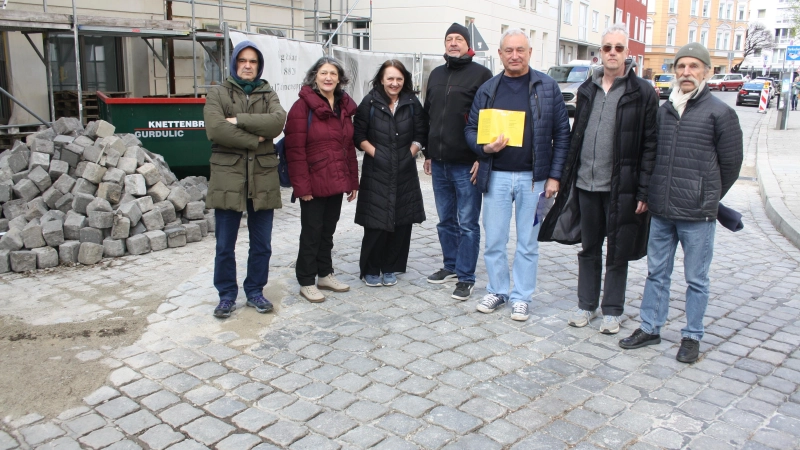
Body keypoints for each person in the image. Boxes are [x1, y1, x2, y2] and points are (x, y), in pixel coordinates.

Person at [619, 43, 743, 363]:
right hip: (662, 209)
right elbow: (653, 156)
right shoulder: (666, 110)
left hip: (697, 215)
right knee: (656, 273)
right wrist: (648, 194)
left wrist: (708, 196)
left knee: (696, 279)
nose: (686, 72)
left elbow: (730, 165)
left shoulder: (720, 112)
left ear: (706, 71)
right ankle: (650, 327)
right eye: (681, 67)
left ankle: (692, 335)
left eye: (693, 67)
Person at [539, 24, 658, 334]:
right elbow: (577, 136)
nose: (613, 53)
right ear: (600, 52)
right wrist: (565, 176)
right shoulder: (587, 90)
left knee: (618, 250)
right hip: (586, 185)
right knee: (589, 247)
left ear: (627, 53)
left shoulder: (642, 91)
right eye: (607, 48)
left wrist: (644, 189)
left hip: (622, 187)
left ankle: (612, 311)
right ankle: (586, 305)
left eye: (619, 48)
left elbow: (650, 144)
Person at [465, 29, 570, 321]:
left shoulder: (547, 87)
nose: (514, 55)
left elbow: (563, 135)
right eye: (508, 50)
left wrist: (555, 177)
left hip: (535, 180)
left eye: (520, 50)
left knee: (528, 241)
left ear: (530, 52)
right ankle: (498, 290)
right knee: (495, 239)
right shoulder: (488, 89)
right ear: (500, 54)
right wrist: (483, 147)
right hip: (495, 176)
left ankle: (522, 296)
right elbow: (470, 130)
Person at [204, 40, 286, 318]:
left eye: (253, 61)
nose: (248, 66)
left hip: (262, 177)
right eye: (243, 60)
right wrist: (256, 138)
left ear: (259, 65)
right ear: (234, 63)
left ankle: (255, 291)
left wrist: (237, 121)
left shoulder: (267, 93)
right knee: (225, 244)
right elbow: (216, 130)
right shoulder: (218, 93)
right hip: (228, 176)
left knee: (261, 244)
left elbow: (277, 122)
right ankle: (226, 295)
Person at [423, 23, 493, 301]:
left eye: (458, 39)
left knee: (467, 223)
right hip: (439, 162)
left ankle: (466, 276)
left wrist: (481, 156)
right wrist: (428, 151)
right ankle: (450, 266)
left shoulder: (482, 75)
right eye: (449, 39)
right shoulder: (437, 74)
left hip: (466, 163)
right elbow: (429, 114)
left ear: (468, 45)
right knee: (445, 221)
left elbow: (487, 118)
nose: (453, 43)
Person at [284, 57, 359, 303]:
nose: (328, 77)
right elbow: (295, 151)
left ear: (340, 79)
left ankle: (325, 274)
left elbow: (347, 147)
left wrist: (352, 181)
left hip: (336, 181)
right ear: (314, 76)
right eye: (323, 73)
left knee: (328, 231)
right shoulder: (301, 107)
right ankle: (306, 280)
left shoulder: (343, 106)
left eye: (333, 74)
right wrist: (302, 187)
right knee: (311, 232)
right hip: (313, 183)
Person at [353, 60, 428, 287]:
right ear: (382, 80)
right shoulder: (370, 102)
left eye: (399, 79)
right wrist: (377, 154)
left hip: (405, 169)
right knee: (376, 220)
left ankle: (390, 266)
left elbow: (421, 133)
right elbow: (359, 136)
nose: (394, 83)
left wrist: (410, 153)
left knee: (401, 219)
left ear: (404, 80)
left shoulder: (412, 102)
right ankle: (371, 268)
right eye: (390, 78)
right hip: (377, 169)